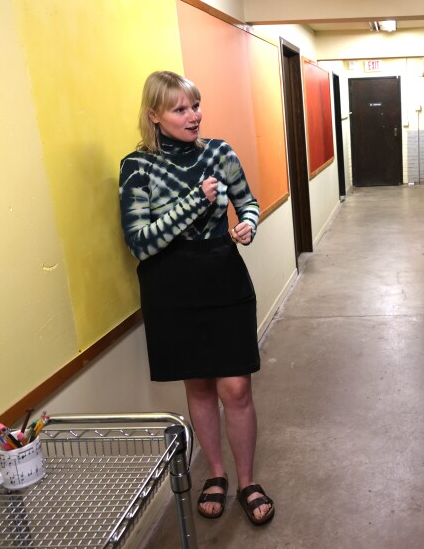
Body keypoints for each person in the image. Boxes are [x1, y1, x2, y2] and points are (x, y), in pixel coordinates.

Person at [119, 71, 274, 526]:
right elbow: (140, 243)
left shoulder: (220, 153)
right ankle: (217, 474)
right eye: (180, 109)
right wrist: (194, 201)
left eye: (195, 106)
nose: (194, 116)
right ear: (155, 115)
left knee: (236, 387)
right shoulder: (137, 166)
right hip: (170, 286)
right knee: (199, 386)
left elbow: (248, 201)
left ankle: (247, 481)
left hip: (223, 276)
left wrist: (248, 223)